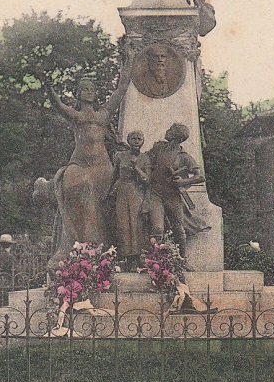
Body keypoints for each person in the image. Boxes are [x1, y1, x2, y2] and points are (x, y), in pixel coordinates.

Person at [47, 70, 131, 265]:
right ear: (79, 93)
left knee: (107, 206)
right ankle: (81, 247)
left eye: (92, 89)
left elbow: (121, 89)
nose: (89, 92)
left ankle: (108, 252)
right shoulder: (75, 115)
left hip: (102, 165)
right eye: (84, 89)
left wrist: (130, 61)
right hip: (81, 162)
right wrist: (49, 88)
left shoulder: (104, 113)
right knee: (79, 196)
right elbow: (58, 106)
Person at [145, 123, 208, 260]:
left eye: (171, 129)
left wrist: (183, 182)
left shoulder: (184, 156)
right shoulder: (159, 147)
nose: (167, 130)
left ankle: (181, 260)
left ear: (177, 136)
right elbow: (145, 159)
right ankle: (155, 261)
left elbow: (200, 177)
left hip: (172, 195)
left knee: (179, 228)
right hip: (155, 193)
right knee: (157, 228)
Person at [108, 130, 152, 266]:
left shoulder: (145, 158)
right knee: (123, 224)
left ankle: (138, 257)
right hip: (122, 192)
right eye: (134, 138)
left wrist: (136, 168)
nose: (137, 141)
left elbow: (147, 179)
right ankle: (126, 257)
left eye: (139, 138)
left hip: (137, 192)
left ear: (143, 141)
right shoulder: (121, 156)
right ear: (128, 140)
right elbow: (114, 175)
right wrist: (108, 192)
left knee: (136, 225)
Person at [0, 233, 15, 306]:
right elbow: (14, 270)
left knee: (1, 304)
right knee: (6, 305)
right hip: (6, 283)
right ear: (10, 245)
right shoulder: (9, 257)